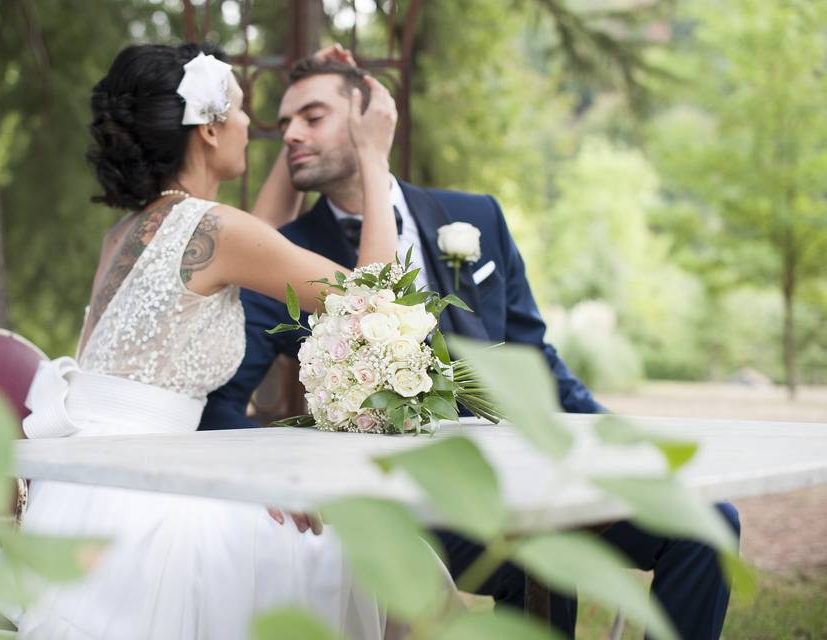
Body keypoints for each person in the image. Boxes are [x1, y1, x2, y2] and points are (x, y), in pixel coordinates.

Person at [199, 53, 741, 639]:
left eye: (312, 116)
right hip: (413, 495)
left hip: (529, 463)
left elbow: (535, 361)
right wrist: (291, 470)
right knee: (540, 554)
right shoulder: (280, 255)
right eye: (285, 125)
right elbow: (220, 406)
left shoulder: (473, 215)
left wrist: (623, 444)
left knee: (708, 522)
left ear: (369, 117)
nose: (293, 137)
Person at [16, 42, 399, 640]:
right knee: (372, 560)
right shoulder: (216, 230)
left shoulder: (128, 233)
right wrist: (374, 158)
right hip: (147, 513)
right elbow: (378, 302)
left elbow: (255, 236)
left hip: (83, 493)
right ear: (211, 130)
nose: (256, 126)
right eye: (243, 111)